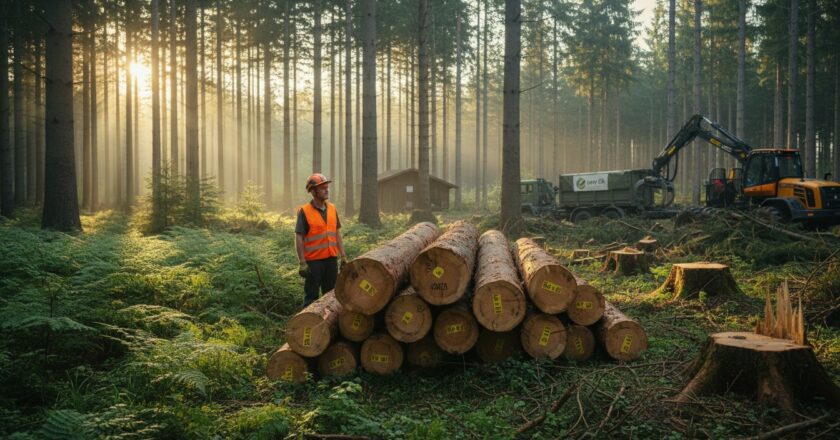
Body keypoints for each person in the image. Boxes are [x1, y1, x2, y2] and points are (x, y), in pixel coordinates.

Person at [295, 173, 348, 307]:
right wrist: (302, 262)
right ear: (313, 191)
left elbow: (337, 233)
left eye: (327, 187)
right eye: (322, 188)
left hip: (331, 259)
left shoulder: (332, 209)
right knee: (311, 296)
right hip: (313, 262)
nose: (326, 189)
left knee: (331, 295)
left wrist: (343, 256)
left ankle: (328, 324)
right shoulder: (305, 211)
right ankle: (306, 324)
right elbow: (299, 237)